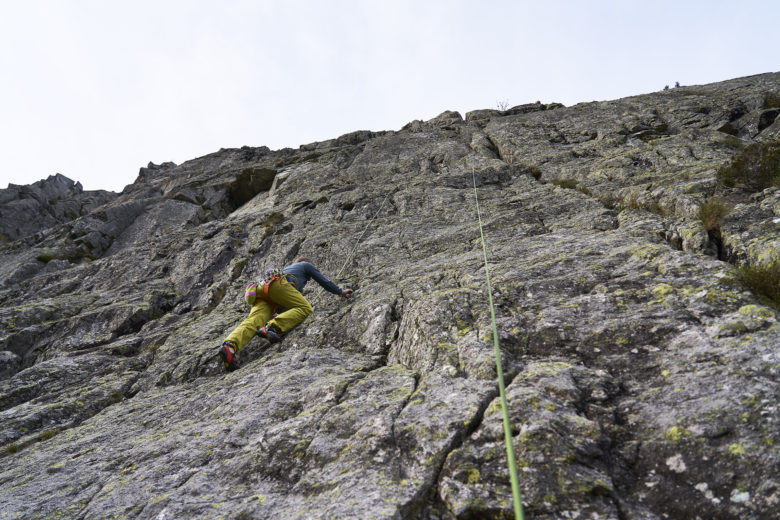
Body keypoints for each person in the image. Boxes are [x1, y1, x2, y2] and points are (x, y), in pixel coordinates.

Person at [218, 257, 353, 371]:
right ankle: (272, 327)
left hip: (263, 290)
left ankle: (230, 346)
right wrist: (340, 291)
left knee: (254, 321)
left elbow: (285, 306)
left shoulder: (289, 271)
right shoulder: (305, 265)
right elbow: (323, 281)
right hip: (277, 284)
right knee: (305, 308)